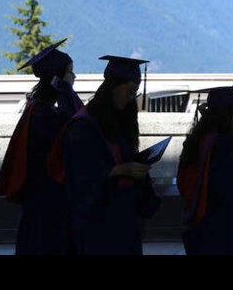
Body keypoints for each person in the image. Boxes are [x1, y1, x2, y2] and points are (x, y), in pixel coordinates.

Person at [50, 55, 161, 254]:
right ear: (112, 86)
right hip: (97, 219)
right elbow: (79, 176)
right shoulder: (83, 125)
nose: (130, 98)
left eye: (134, 93)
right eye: (128, 91)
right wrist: (120, 170)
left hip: (124, 216)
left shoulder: (120, 120)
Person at [0, 39, 82, 254]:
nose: (74, 77)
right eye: (70, 72)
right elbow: (76, 132)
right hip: (47, 203)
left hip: (43, 201)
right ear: (57, 78)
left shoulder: (39, 109)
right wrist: (65, 91)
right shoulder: (43, 115)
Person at [177, 86, 233, 255]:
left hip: (200, 229)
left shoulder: (197, 141)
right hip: (225, 230)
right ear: (226, 118)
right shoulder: (226, 145)